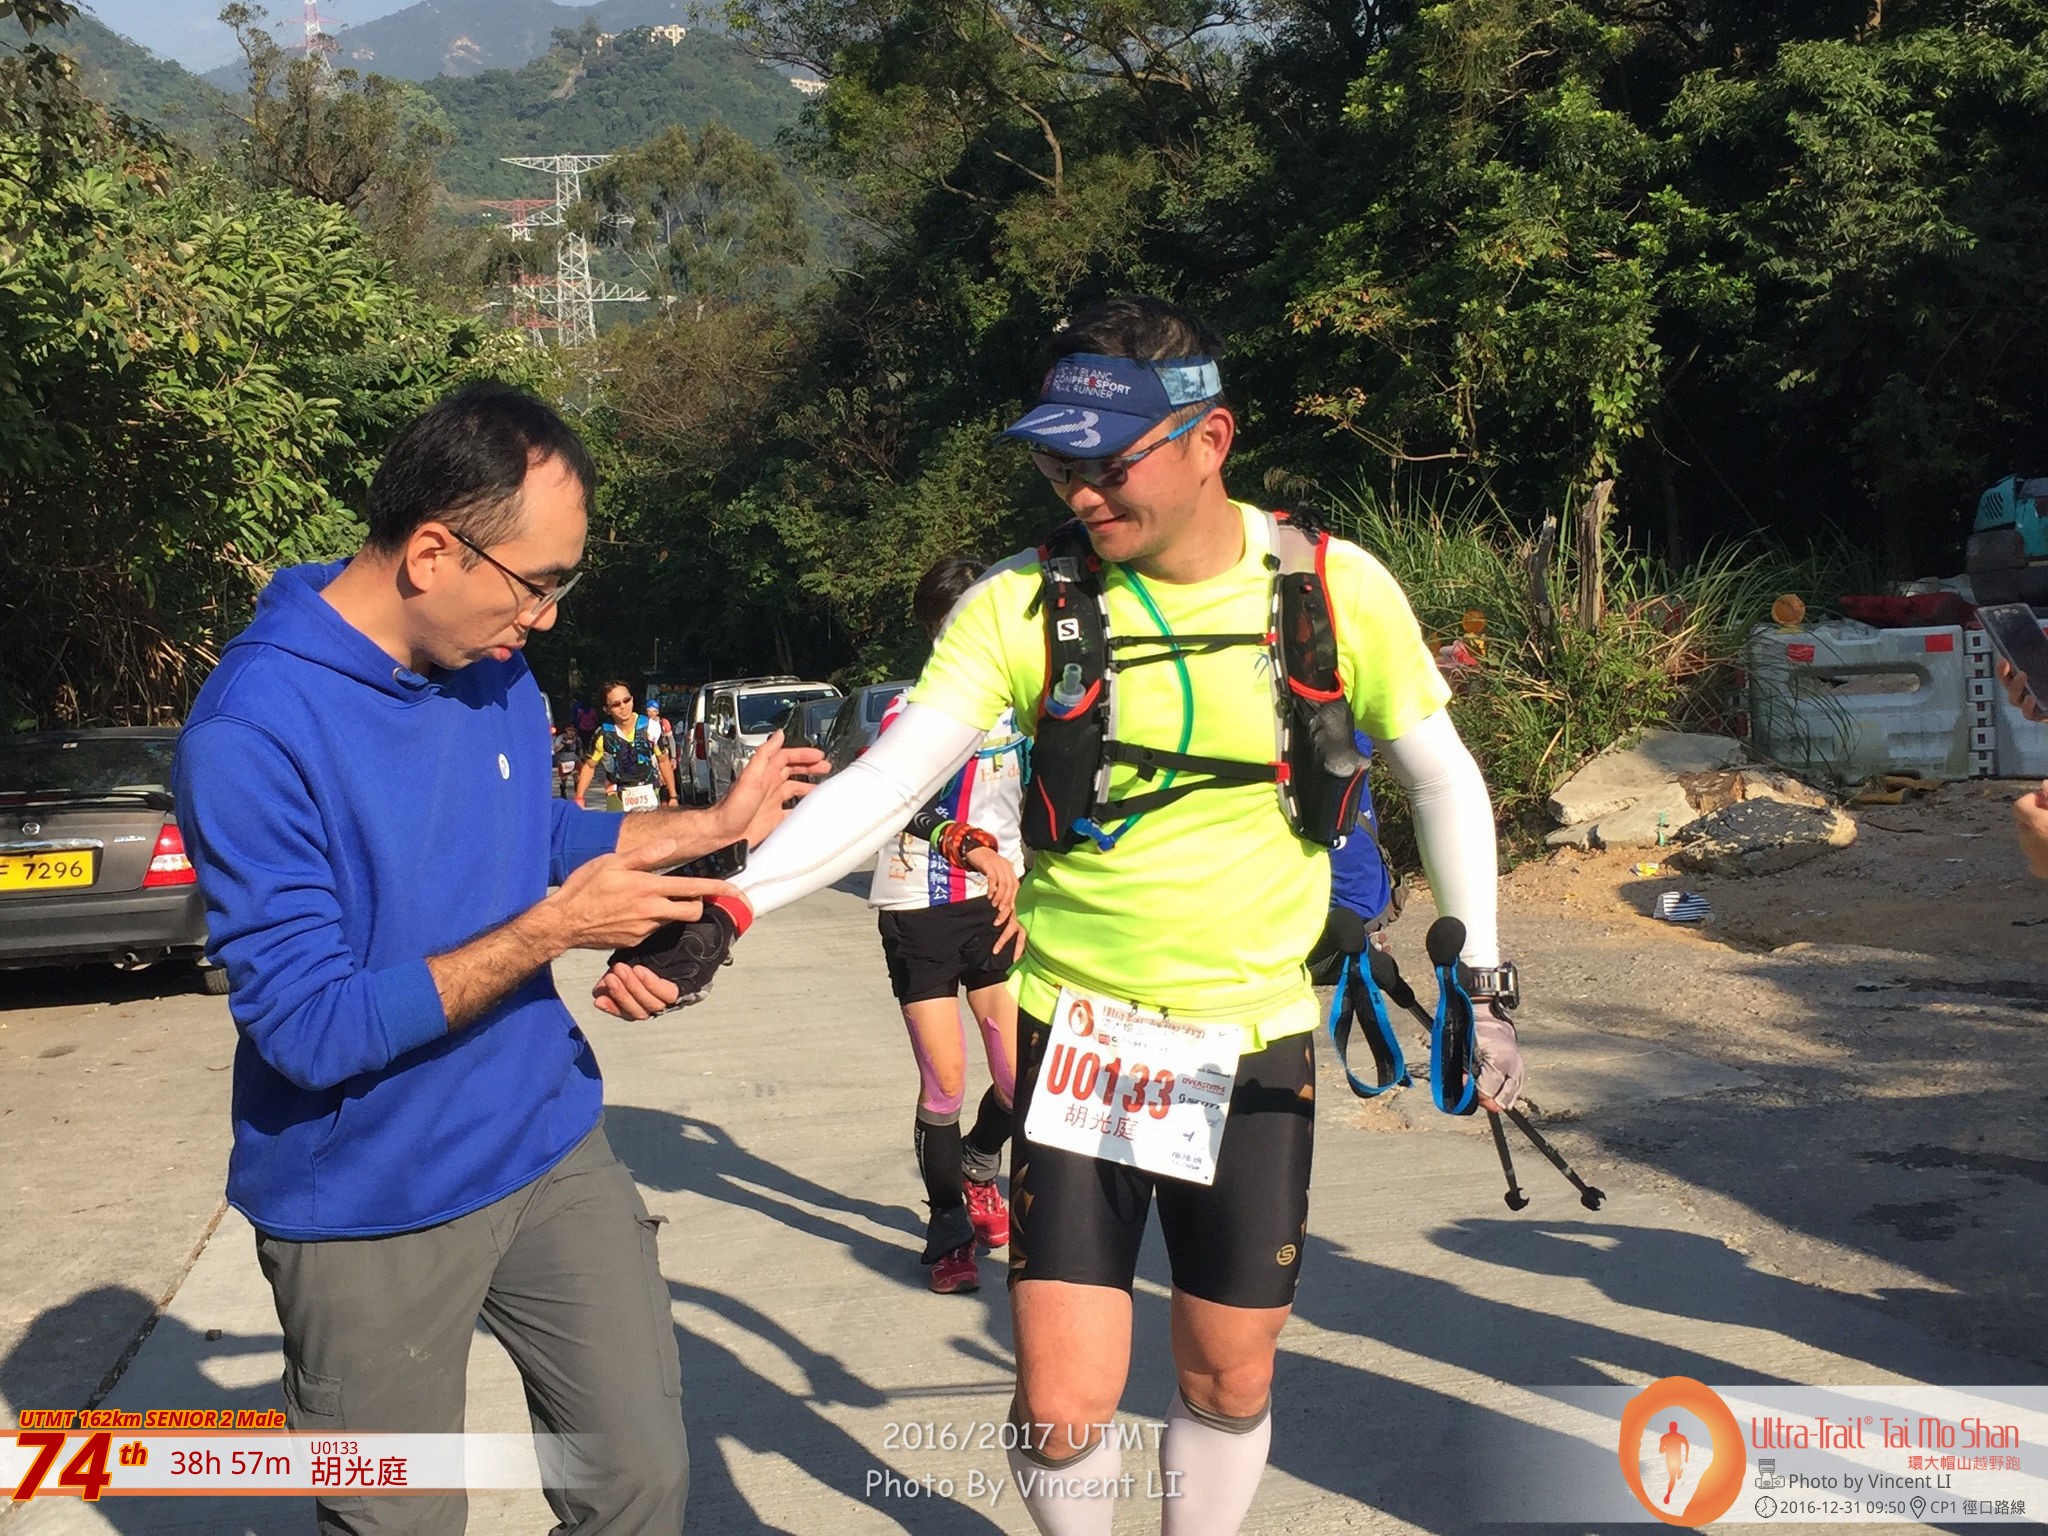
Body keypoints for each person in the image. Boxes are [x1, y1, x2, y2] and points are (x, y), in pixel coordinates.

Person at [591, 296, 1524, 1536]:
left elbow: (1441, 777)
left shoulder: (1334, 591)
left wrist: (1482, 982)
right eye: (1054, 465)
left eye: (1108, 463)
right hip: (1081, 1038)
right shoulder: (1019, 602)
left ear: (1209, 440)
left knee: (1226, 1378)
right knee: (1062, 1403)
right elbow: (889, 782)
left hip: (1252, 1036)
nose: (1078, 492)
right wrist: (726, 911)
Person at [173, 380, 821, 1536]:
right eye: (537, 583)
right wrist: (557, 930)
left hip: (545, 1144)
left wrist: (708, 826)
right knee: (402, 1523)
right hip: (367, 1205)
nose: (547, 618)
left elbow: (535, 836)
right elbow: (308, 1029)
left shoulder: (492, 663)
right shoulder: (254, 731)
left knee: (637, 1483)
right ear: (432, 552)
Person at [869, 556, 1030, 1295]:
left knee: (1019, 1078)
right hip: (921, 907)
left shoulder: (1026, 706)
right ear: (935, 628)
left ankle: (977, 1166)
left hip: (998, 906)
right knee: (946, 1080)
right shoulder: (912, 711)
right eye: (953, 620)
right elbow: (904, 801)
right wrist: (971, 846)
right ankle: (948, 1230)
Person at [578, 680, 679, 810]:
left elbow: (663, 761)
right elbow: (589, 766)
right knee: (619, 824)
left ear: (632, 700)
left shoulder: (651, 727)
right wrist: (579, 797)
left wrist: (673, 796)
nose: (623, 706)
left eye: (626, 700)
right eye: (616, 704)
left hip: (649, 791)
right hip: (617, 794)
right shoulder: (603, 734)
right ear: (607, 709)